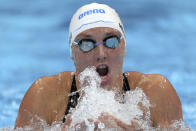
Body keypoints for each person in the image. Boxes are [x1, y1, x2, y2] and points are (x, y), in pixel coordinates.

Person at [14, 3, 183, 130]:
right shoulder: (44, 96)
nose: (101, 53)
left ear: (124, 46)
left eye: (111, 41)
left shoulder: (156, 93)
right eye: (87, 44)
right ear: (73, 53)